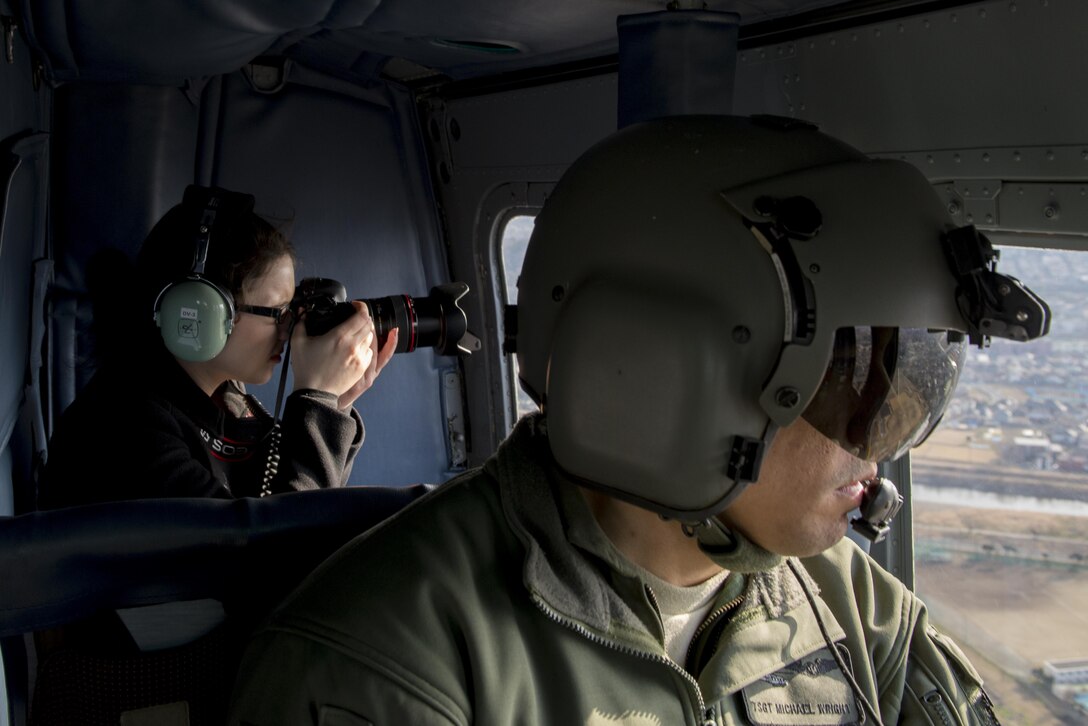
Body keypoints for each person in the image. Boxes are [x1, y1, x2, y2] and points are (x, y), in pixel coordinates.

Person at [226, 116, 1050, 725]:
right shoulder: (386, 663)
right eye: (850, 384)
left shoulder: (854, 607)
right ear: (668, 377)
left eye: (907, 389)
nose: (883, 440)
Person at [38, 184, 397, 509]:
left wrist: (335, 404)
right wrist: (316, 404)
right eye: (277, 312)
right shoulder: (125, 430)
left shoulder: (220, 397)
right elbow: (274, 561)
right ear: (197, 311)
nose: (291, 330)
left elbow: (275, 501)